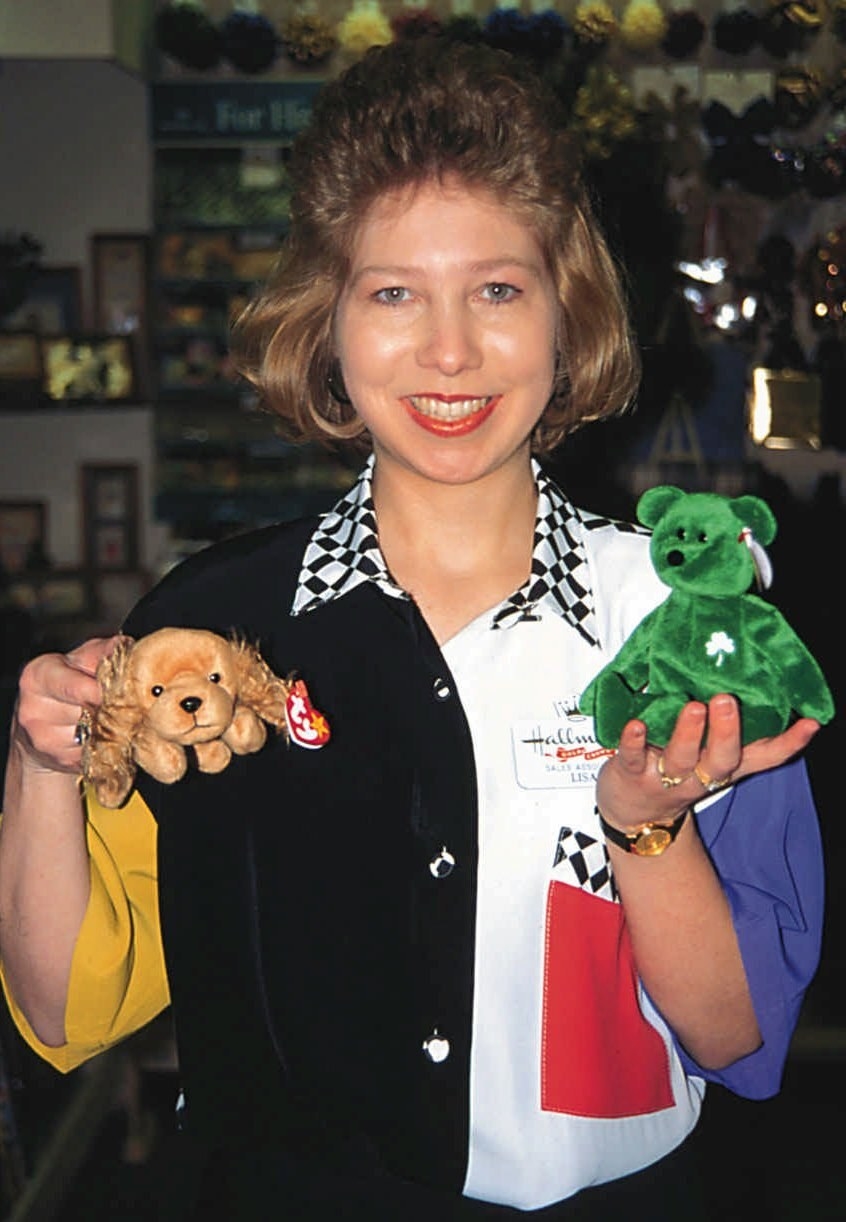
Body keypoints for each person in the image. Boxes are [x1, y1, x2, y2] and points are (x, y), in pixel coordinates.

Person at [0, 38, 825, 1221]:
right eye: (393, 293)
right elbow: (65, 1008)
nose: (450, 350)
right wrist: (40, 766)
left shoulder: (686, 624)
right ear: (326, 321)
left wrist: (646, 829)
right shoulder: (206, 627)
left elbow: (736, 1033)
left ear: (564, 312)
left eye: (498, 289)